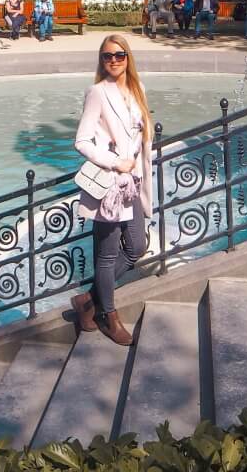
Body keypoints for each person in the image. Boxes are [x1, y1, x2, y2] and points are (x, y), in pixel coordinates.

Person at [70, 35, 152, 346]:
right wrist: (115, 161)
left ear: (128, 58)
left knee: (135, 246)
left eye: (119, 55)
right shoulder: (97, 93)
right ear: (101, 60)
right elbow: (81, 140)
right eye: (107, 57)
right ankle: (109, 314)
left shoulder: (138, 90)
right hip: (110, 185)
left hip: (133, 184)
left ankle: (88, 300)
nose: (114, 61)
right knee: (106, 257)